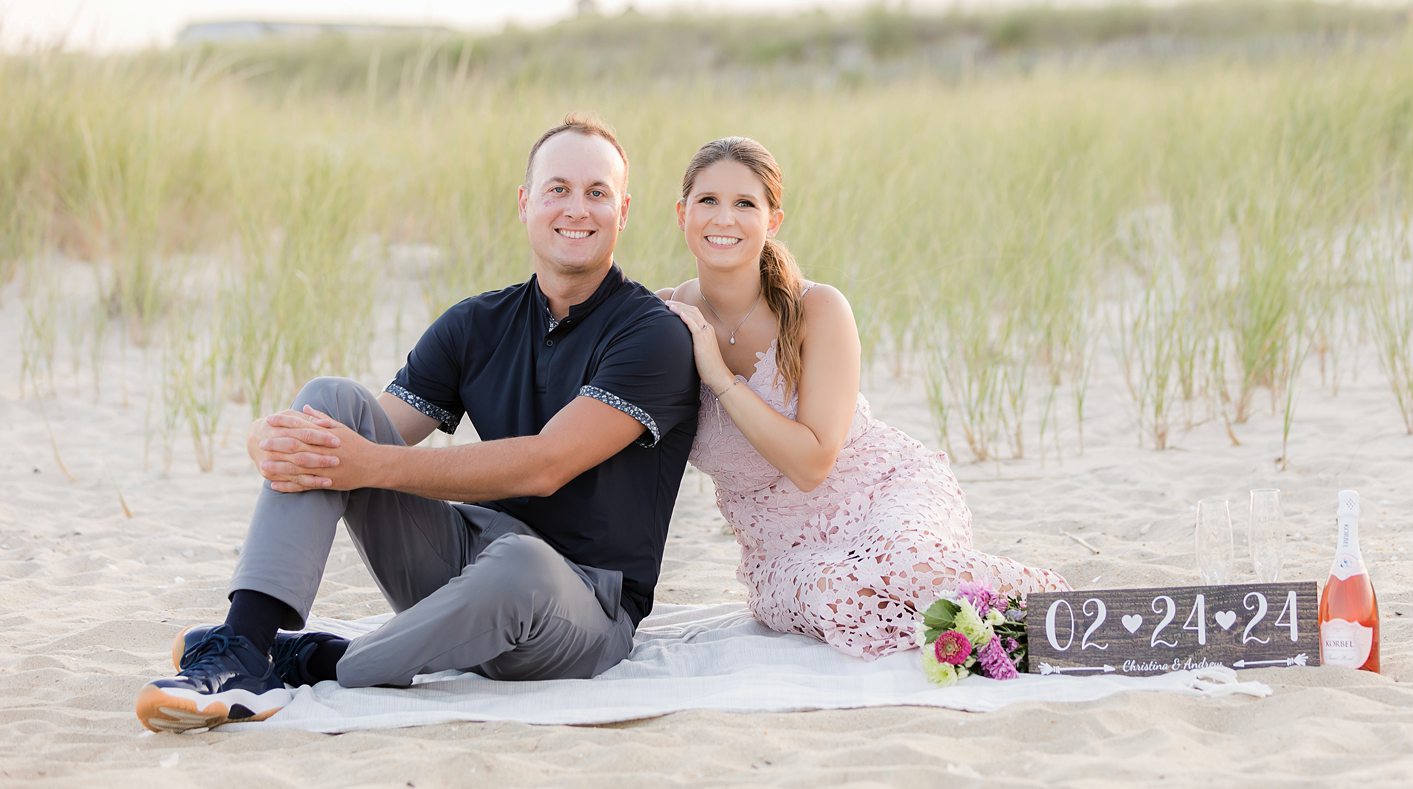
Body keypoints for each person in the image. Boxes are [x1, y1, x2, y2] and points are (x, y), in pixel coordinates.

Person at [135, 114, 699, 732]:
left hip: (583, 605)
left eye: (597, 193)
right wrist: (270, 438)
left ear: (624, 211)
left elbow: (547, 465)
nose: (576, 209)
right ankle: (244, 646)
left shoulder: (653, 335)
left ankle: (323, 661)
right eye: (557, 189)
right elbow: (368, 431)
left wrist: (368, 463)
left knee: (523, 564)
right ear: (524, 203)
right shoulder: (476, 323)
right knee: (331, 402)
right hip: (465, 558)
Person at [659, 137, 1069, 659]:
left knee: (910, 566)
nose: (724, 219)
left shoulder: (818, 309)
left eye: (745, 204)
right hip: (784, 553)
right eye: (708, 201)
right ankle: (972, 633)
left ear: (773, 220)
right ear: (681, 213)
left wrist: (717, 376)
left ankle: (1067, 612)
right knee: (842, 597)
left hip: (883, 494)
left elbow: (812, 463)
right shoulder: (662, 320)